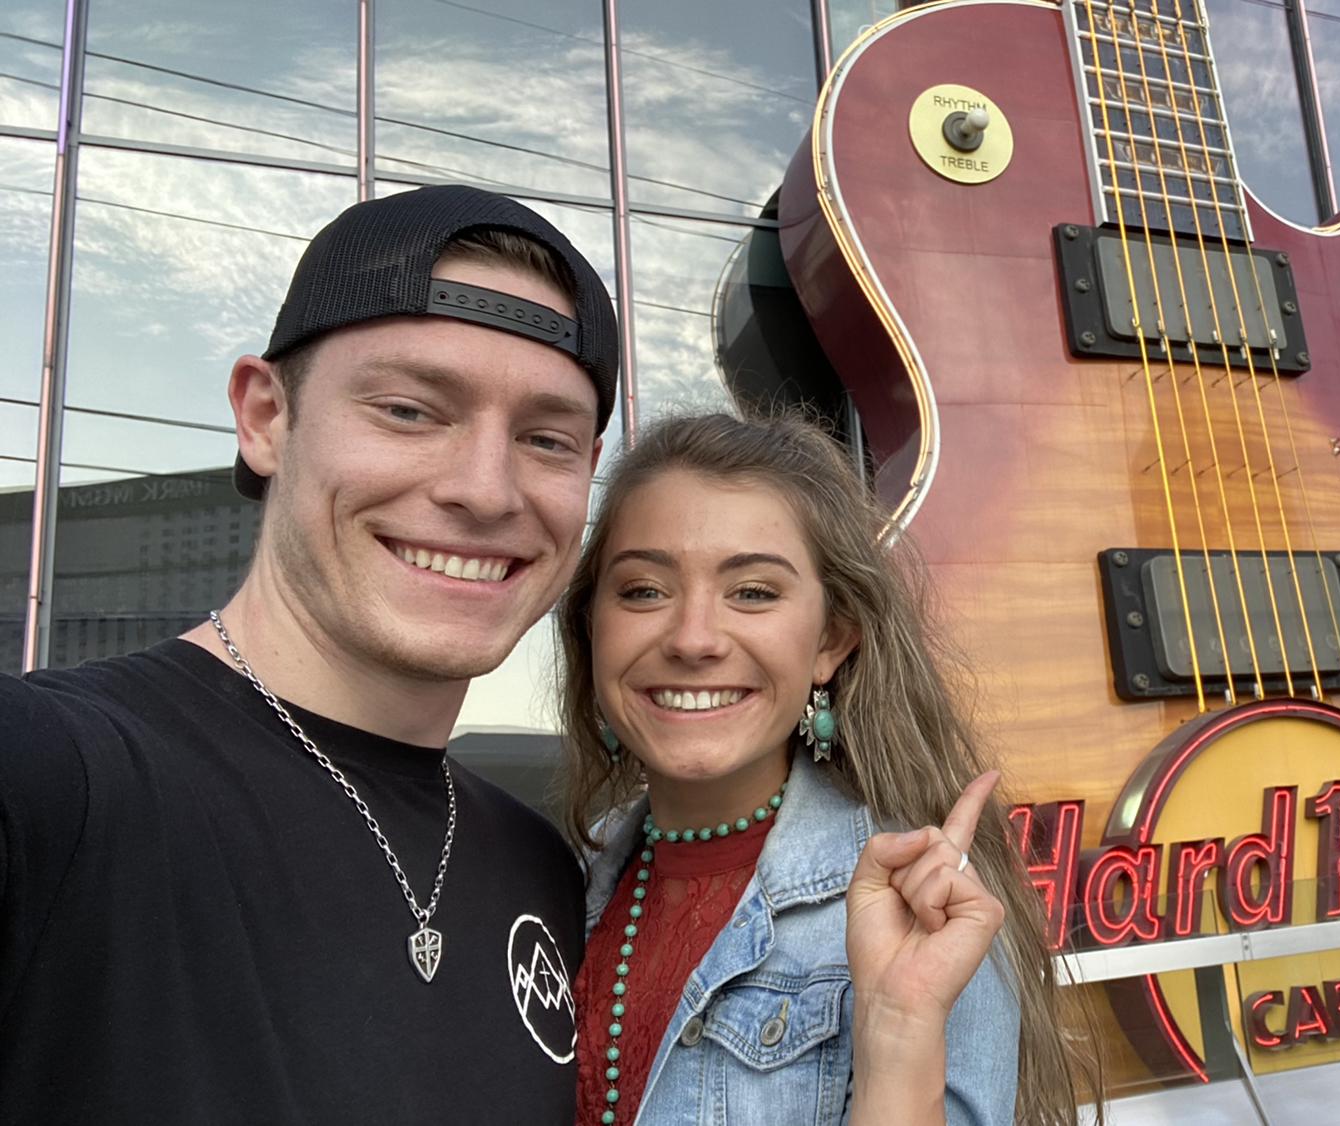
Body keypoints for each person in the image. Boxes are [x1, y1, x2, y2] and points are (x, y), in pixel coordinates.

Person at [0, 186, 1000, 1125]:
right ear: (266, 416)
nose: (484, 489)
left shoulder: (540, 868)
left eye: (546, 439)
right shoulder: (55, 774)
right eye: (409, 409)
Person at [552, 412, 1091, 1126]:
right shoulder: (560, 879)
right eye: (644, 590)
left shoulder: (916, 909)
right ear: (592, 626)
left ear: (830, 642)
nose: (692, 638)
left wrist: (898, 1033)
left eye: (753, 592)